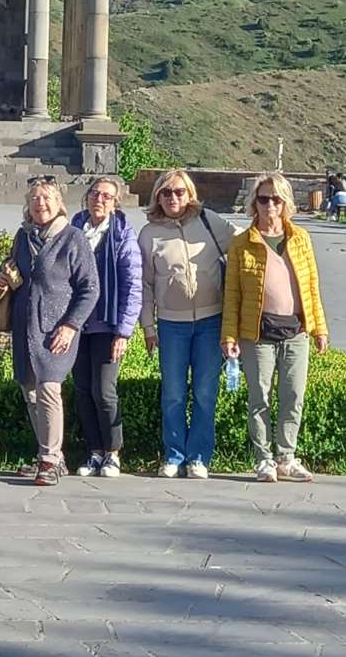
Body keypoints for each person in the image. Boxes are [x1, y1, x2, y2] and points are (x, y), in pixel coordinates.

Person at [221, 172, 328, 483]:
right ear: (254, 203)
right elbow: (233, 294)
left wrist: (319, 328)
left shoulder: (300, 238)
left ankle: (286, 456)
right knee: (260, 398)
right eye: (263, 199)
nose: (269, 205)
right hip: (258, 333)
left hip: (296, 332)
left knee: (294, 395)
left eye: (276, 199)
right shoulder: (242, 242)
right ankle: (263, 458)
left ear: (286, 204)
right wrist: (229, 335)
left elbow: (311, 286)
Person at [0, 177, 99, 486]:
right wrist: (5, 277)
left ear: (59, 204)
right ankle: (49, 454)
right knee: (30, 391)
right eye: (35, 198)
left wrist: (71, 325)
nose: (41, 203)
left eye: (47, 198)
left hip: (56, 329)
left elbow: (90, 289)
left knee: (49, 389)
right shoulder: (23, 236)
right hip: (25, 326)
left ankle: (50, 460)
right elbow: (17, 273)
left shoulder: (73, 238)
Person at [138, 169, 236, 479]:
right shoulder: (149, 234)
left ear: (189, 194)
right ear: (157, 197)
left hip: (211, 320)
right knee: (173, 393)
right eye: (166, 193)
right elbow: (145, 285)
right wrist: (148, 327)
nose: (173, 198)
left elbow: (245, 246)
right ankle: (174, 454)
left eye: (179, 192)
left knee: (206, 392)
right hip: (171, 324)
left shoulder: (210, 222)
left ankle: (198, 457)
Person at [70, 178, 143, 478]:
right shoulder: (73, 230)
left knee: (104, 391)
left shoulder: (123, 235)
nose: (99, 200)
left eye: (107, 196)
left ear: (116, 203)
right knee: (82, 389)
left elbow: (133, 285)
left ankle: (113, 452)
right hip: (75, 324)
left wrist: (124, 331)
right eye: (95, 194)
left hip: (107, 324)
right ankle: (94, 451)